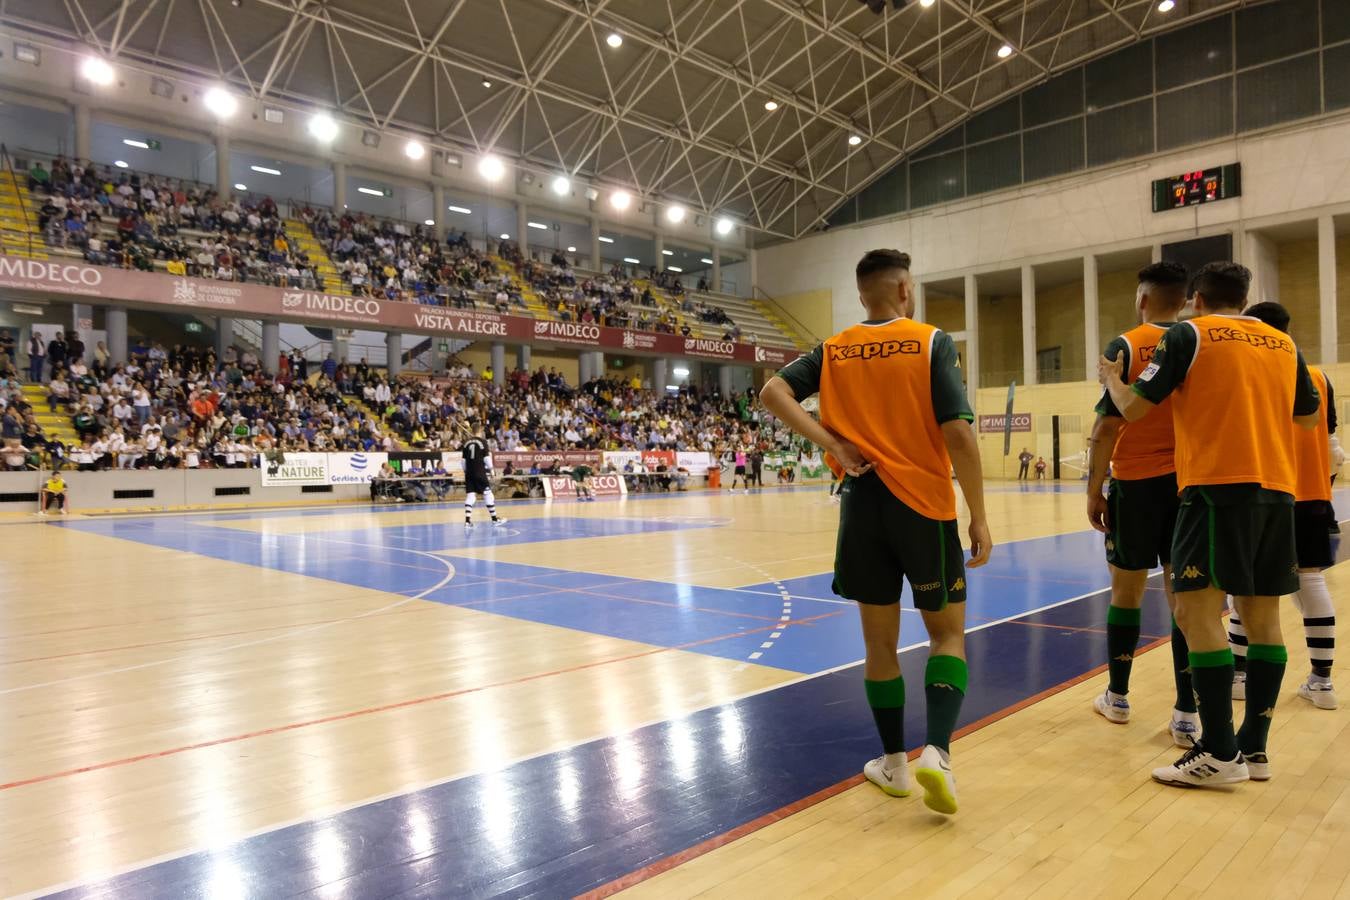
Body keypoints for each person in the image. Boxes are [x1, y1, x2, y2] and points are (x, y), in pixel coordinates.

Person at [760, 248, 991, 815]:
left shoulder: (834, 350)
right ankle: (936, 751)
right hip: (925, 508)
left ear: (862, 294)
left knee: (879, 645)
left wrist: (832, 443)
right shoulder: (930, 341)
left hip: (862, 509)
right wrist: (979, 512)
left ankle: (892, 765)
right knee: (947, 637)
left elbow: (772, 392)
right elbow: (958, 434)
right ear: (905, 289)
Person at [1099, 262, 1320, 787]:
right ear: (1244, 298)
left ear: (1198, 298)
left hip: (1214, 490)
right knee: (1263, 617)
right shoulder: (1282, 344)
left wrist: (1112, 376)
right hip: (1277, 491)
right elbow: (1308, 417)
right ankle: (1255, 752)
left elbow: (1131, 410)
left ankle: (1218, 751)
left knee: (1194, 611)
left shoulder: (1187, 336)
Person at [1086, 261, 1198, 746]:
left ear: (1142, 299)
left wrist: (1094, 489)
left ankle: (1119, 695)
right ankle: (1187, 712)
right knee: (1187, 602)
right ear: (1187, 298)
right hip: (1188, 485)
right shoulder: (1198, 342)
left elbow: (1109, 425)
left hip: (1135, 485)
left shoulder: (1127, 346)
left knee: (1125, 592)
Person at [1228, 302, 1338, 710]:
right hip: (1313, 496)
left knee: (1244, 588)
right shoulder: (1318, 377)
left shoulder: (1254, 370)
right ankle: (1322, 683)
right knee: (1312, 583)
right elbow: (1332, 445)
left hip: (1264, 493)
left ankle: (1238, 675)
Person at [462, 426, 504, 528]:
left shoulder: (466, 443)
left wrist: (466, 472)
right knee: (488, 495)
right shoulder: (483, 442)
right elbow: (486, 457)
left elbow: (463, 461)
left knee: (471, 496)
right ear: (480, 431)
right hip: (480, 472)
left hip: (469, 473)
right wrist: (492, 470)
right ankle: (494, 519)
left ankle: (467, 521)